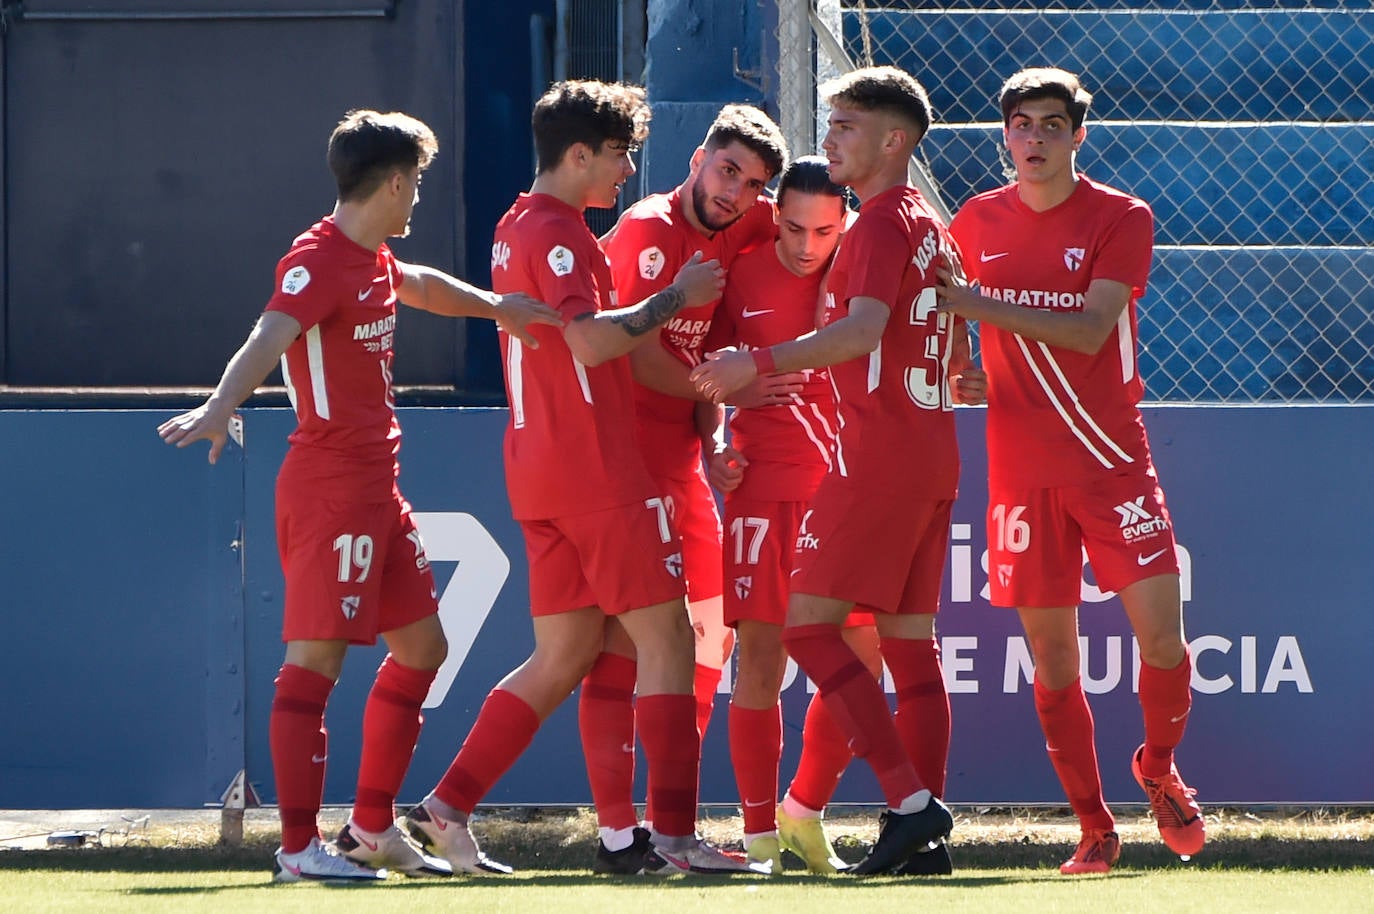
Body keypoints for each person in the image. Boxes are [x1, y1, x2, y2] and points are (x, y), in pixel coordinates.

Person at [158, 109, 563, 883]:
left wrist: (498, 307)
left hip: (380, 489)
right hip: (331, 490)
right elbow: (268, 335)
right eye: (416, 184)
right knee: (314, 664)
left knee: (424, 650)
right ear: (395, 181)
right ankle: (297, 849)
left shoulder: (373, 257)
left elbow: (421, 286)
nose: (418, 199)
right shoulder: (315, 260)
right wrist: (221, 406)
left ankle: (371, 830)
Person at [399, 79, 757, 878]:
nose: (628, 169)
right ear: (579, 154)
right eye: (621, 153)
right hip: (597, 472)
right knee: (667, 641)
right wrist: (677, 297)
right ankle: (673, 837)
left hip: (539, 473)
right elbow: (591, 343)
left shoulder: (513, 223)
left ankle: (448, 807)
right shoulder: (560, 233)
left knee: (564, 656)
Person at [690, 66, 985, 876]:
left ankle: (913, 806)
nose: (831, 137)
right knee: (910, 648)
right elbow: (952, 333)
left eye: (847, 124)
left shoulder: (885, 223)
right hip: (932, 454)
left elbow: (860, 330)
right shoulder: (930, 222)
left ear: (895, 140)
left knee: (809, 630)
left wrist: (761, 360)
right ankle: (923, 840)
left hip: (876, 457)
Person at [934, 66, 1204, 875]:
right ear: (1004, 136)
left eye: (1053, 125)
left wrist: (971, 306)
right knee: (1053, 662)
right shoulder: (975, 220)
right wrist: (959, 366)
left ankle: (1155, 768)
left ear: (1078, 134)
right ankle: (1094, 827)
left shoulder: (1122, 216)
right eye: (1022, 125)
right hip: (1021, 471)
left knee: (1164, 639)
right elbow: (940, 318)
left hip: (1113, 462)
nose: (1036, 139)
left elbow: (1089, 331)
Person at [579, 103, 790, 867]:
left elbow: (731, 331)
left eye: (752, 183)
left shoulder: (749, 227)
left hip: (676, 458)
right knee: (616, 648)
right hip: (620, 462)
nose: (734, 192)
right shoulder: (645, 228)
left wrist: (712, 437)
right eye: (727, 169)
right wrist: (727, 396)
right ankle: (627, 832)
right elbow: (634, 357)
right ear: (698, 157)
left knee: (707, 634)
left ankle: (664, 824)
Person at [700, 155, 878, 874]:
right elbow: (702, 367)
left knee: (859, 664)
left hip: (844, 489)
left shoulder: (866, 265)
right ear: (774, 214)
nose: (808, 245)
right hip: (765, 489)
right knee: (763, 663)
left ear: (847, 222)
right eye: (796, 227)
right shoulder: (739, 268)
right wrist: (715, 434)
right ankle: (760, 837)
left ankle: (803, 812)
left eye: (825, 230)